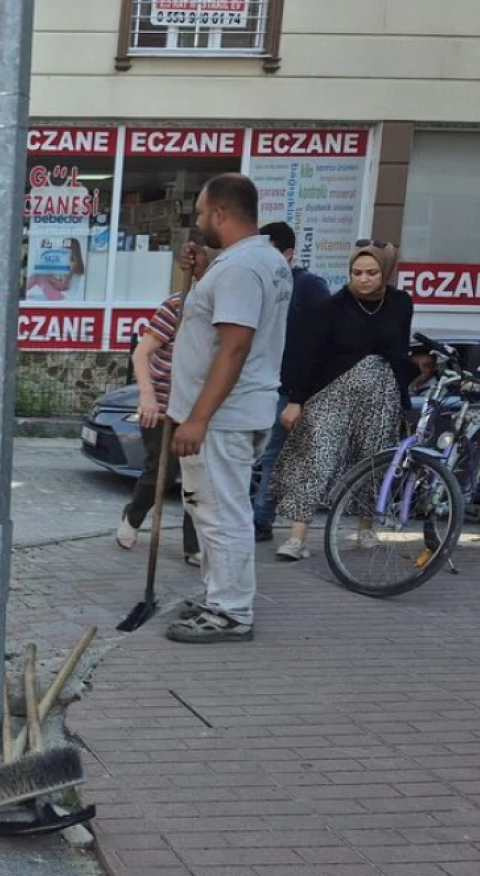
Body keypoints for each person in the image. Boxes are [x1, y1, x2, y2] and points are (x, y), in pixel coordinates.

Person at [164, 174, 292, 644]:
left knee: (221, 513)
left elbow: (234, 348)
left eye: (200, 213)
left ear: (220, 212)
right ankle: (220, 595)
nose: (199, 223)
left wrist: (197, 417)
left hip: (223, 416)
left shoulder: (241, 269)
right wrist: (204, 274)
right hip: (237, 410)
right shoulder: (261, 261)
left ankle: (231, 611)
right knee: (213, 509)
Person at [269, 241, 415, 562]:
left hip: (381, 393)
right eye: (356, 272)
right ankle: (297, 536)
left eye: (371, 272)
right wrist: (297, 399)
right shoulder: (332, 307)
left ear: (385, 273)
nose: (363, 279)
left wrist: (404, 397)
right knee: (317, 456)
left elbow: (400, 352)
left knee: (374, 459)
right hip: (332, 392)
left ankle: (365, 529)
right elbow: (309, 354)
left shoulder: (401, 303)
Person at [251, 222, 332, 542]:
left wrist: (299, 396)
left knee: (273, 457)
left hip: (288, 390)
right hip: (259, 385)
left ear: (289, 254)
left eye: (270, 252)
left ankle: (261, 520)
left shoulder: (309, 287)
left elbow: (316, 344)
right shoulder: (258, 284)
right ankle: (255, 518)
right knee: (253, 456)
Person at [115, 290, 201, 566]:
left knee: (195, 477)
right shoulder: (177, 305)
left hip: (197, 406)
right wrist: (146, 394)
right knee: (161, 472)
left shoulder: (224, 307)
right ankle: (133, 516)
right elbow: (141, 354)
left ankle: (194, 545)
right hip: (162, 403)